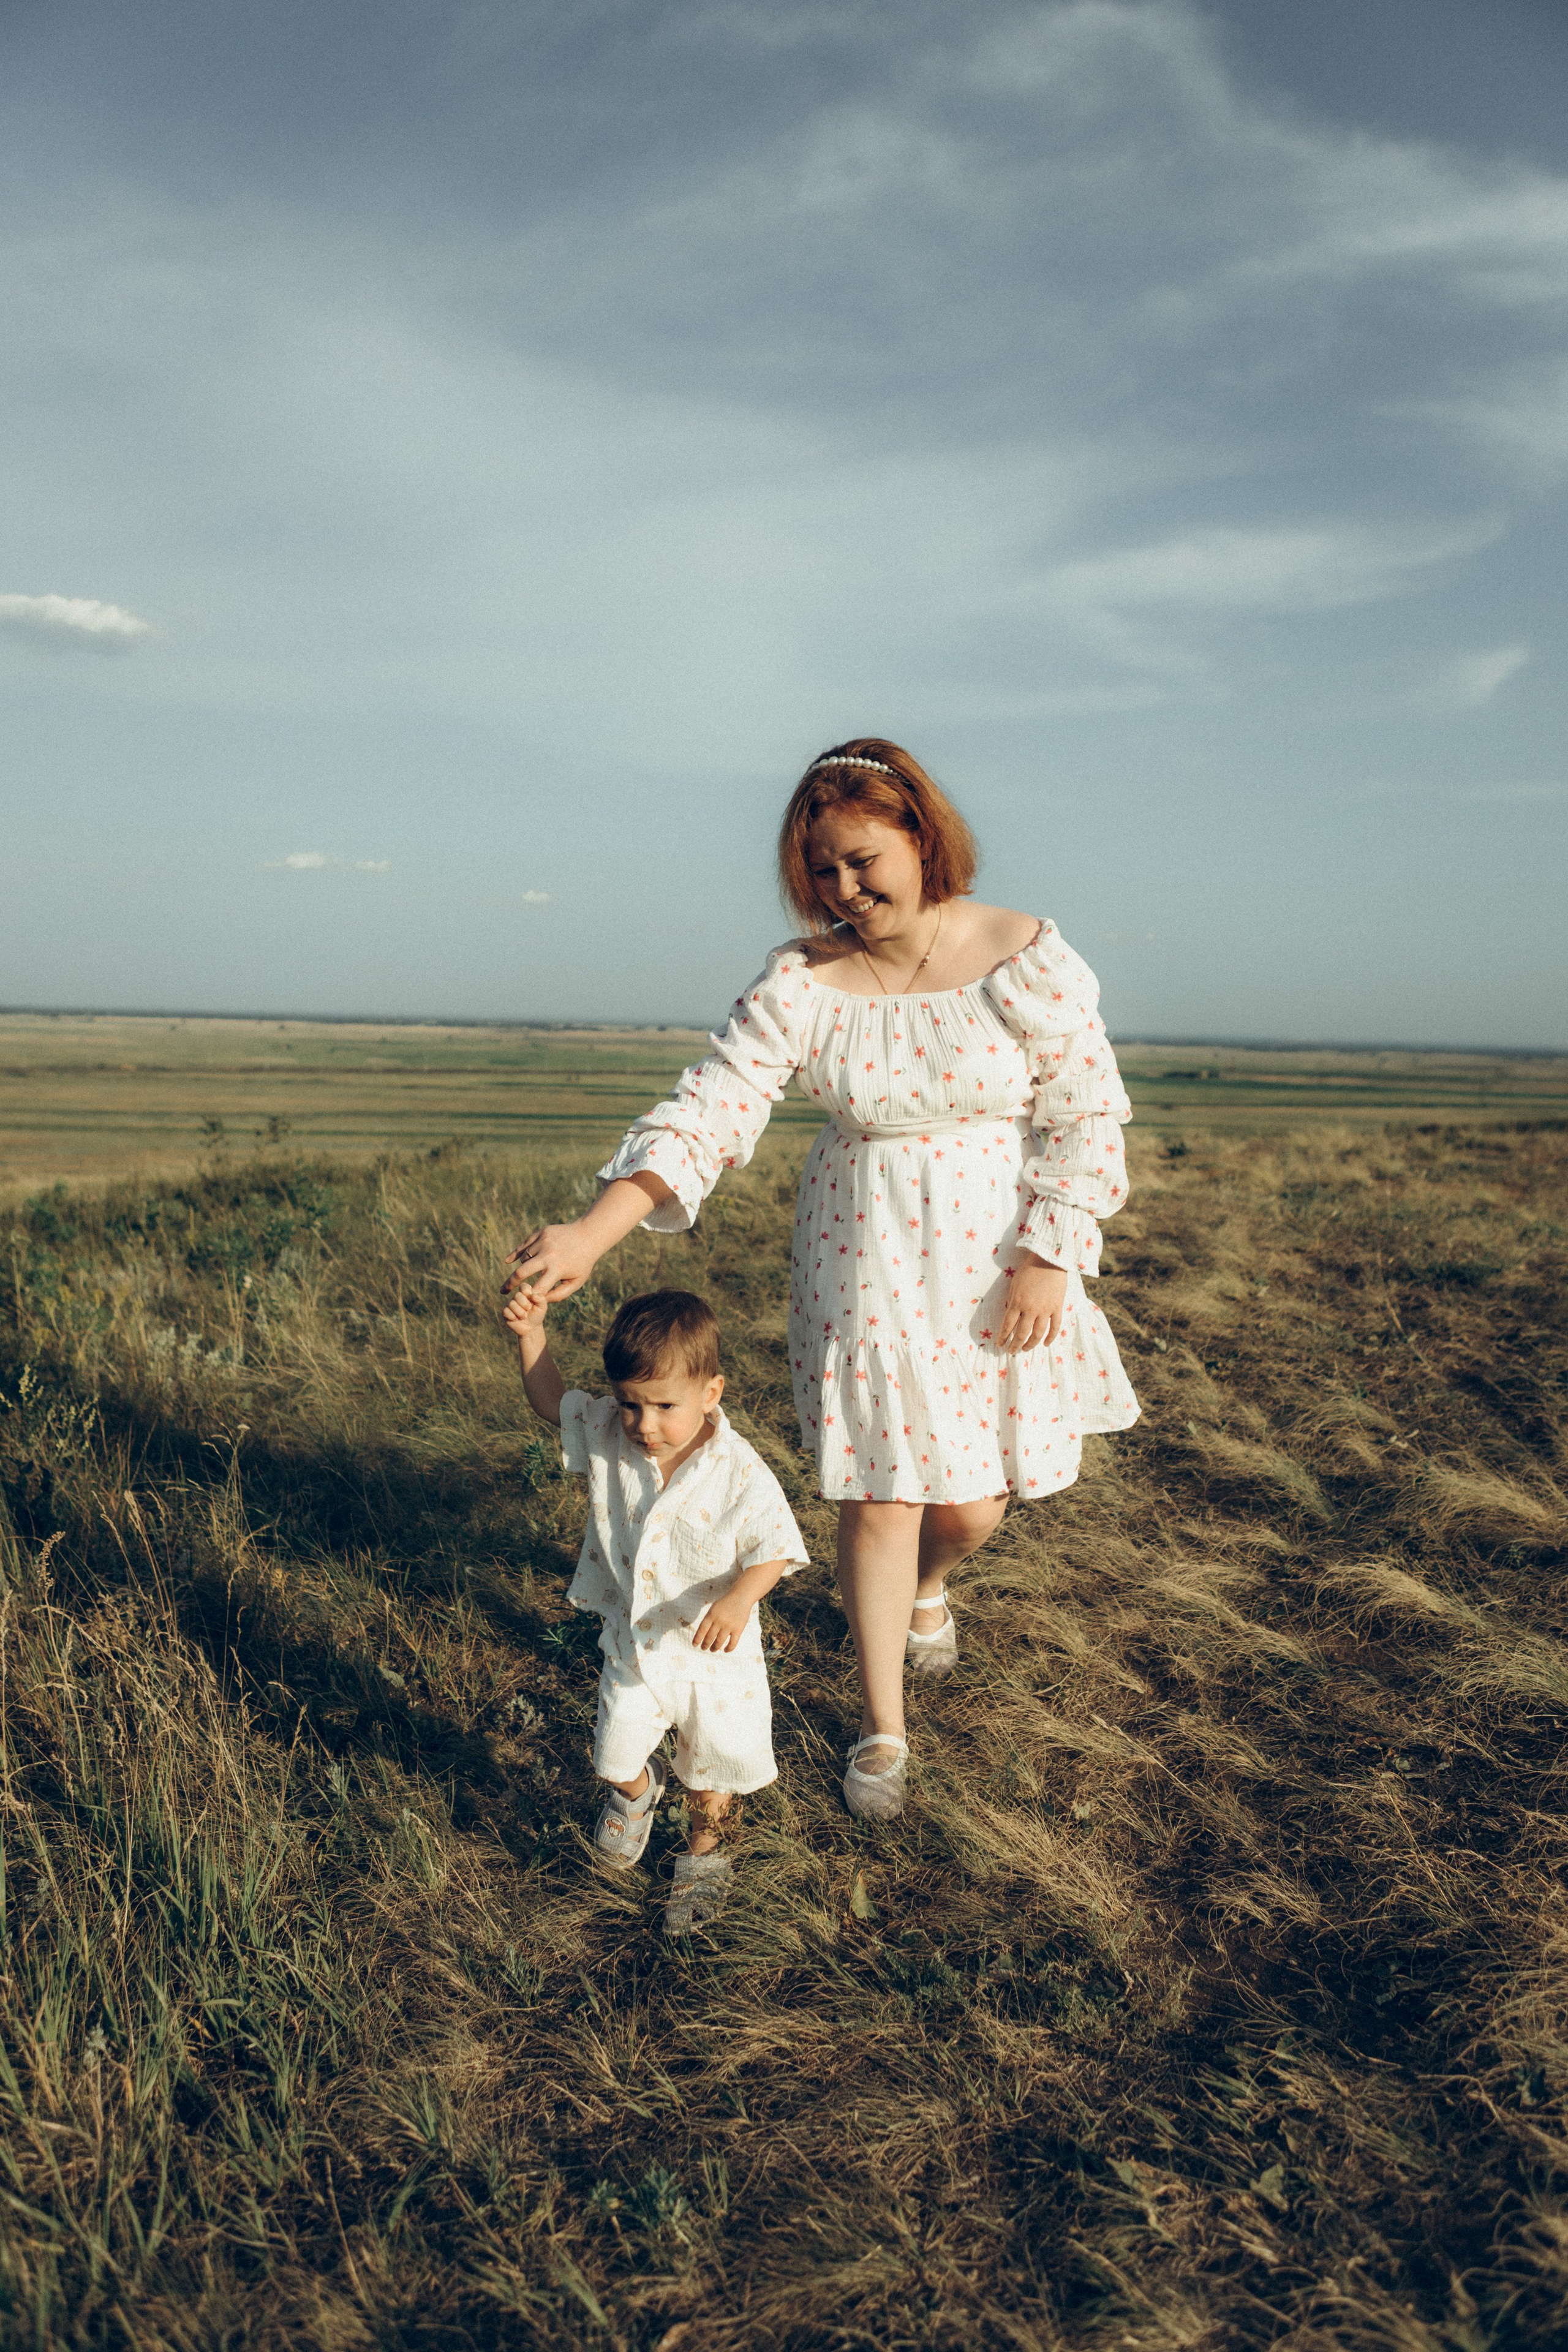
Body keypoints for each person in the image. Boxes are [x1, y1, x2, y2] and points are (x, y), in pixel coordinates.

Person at [503, 737, 1138, 1822]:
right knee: (881, 1495)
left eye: (862, 861)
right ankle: (883, 1727)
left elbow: (1085, 1109)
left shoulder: (1022, 952)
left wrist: (1048, 1254)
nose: (847, 891)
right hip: (865, 1253)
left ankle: (932, 1589)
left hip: (997, 1254)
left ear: (921, 836)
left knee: (973, 1507)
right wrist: (595, 1233)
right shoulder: (803, 981)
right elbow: (711, 1108)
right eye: (824, 874)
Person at [503, 1284, 808, 1933]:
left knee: (711, 1770)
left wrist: (737, 1600)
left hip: (711, 1653)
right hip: (637, 1641)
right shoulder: (615, 1436)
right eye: (630, 1404)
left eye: (664, 1406)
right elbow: (553, 1404)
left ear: (711, 1393)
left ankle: (705, 1856)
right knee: (612, 1756)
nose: (644, 1424)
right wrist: (531, 1334)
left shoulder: (738, 1470)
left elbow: (775, 1548)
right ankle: (638, 1797)